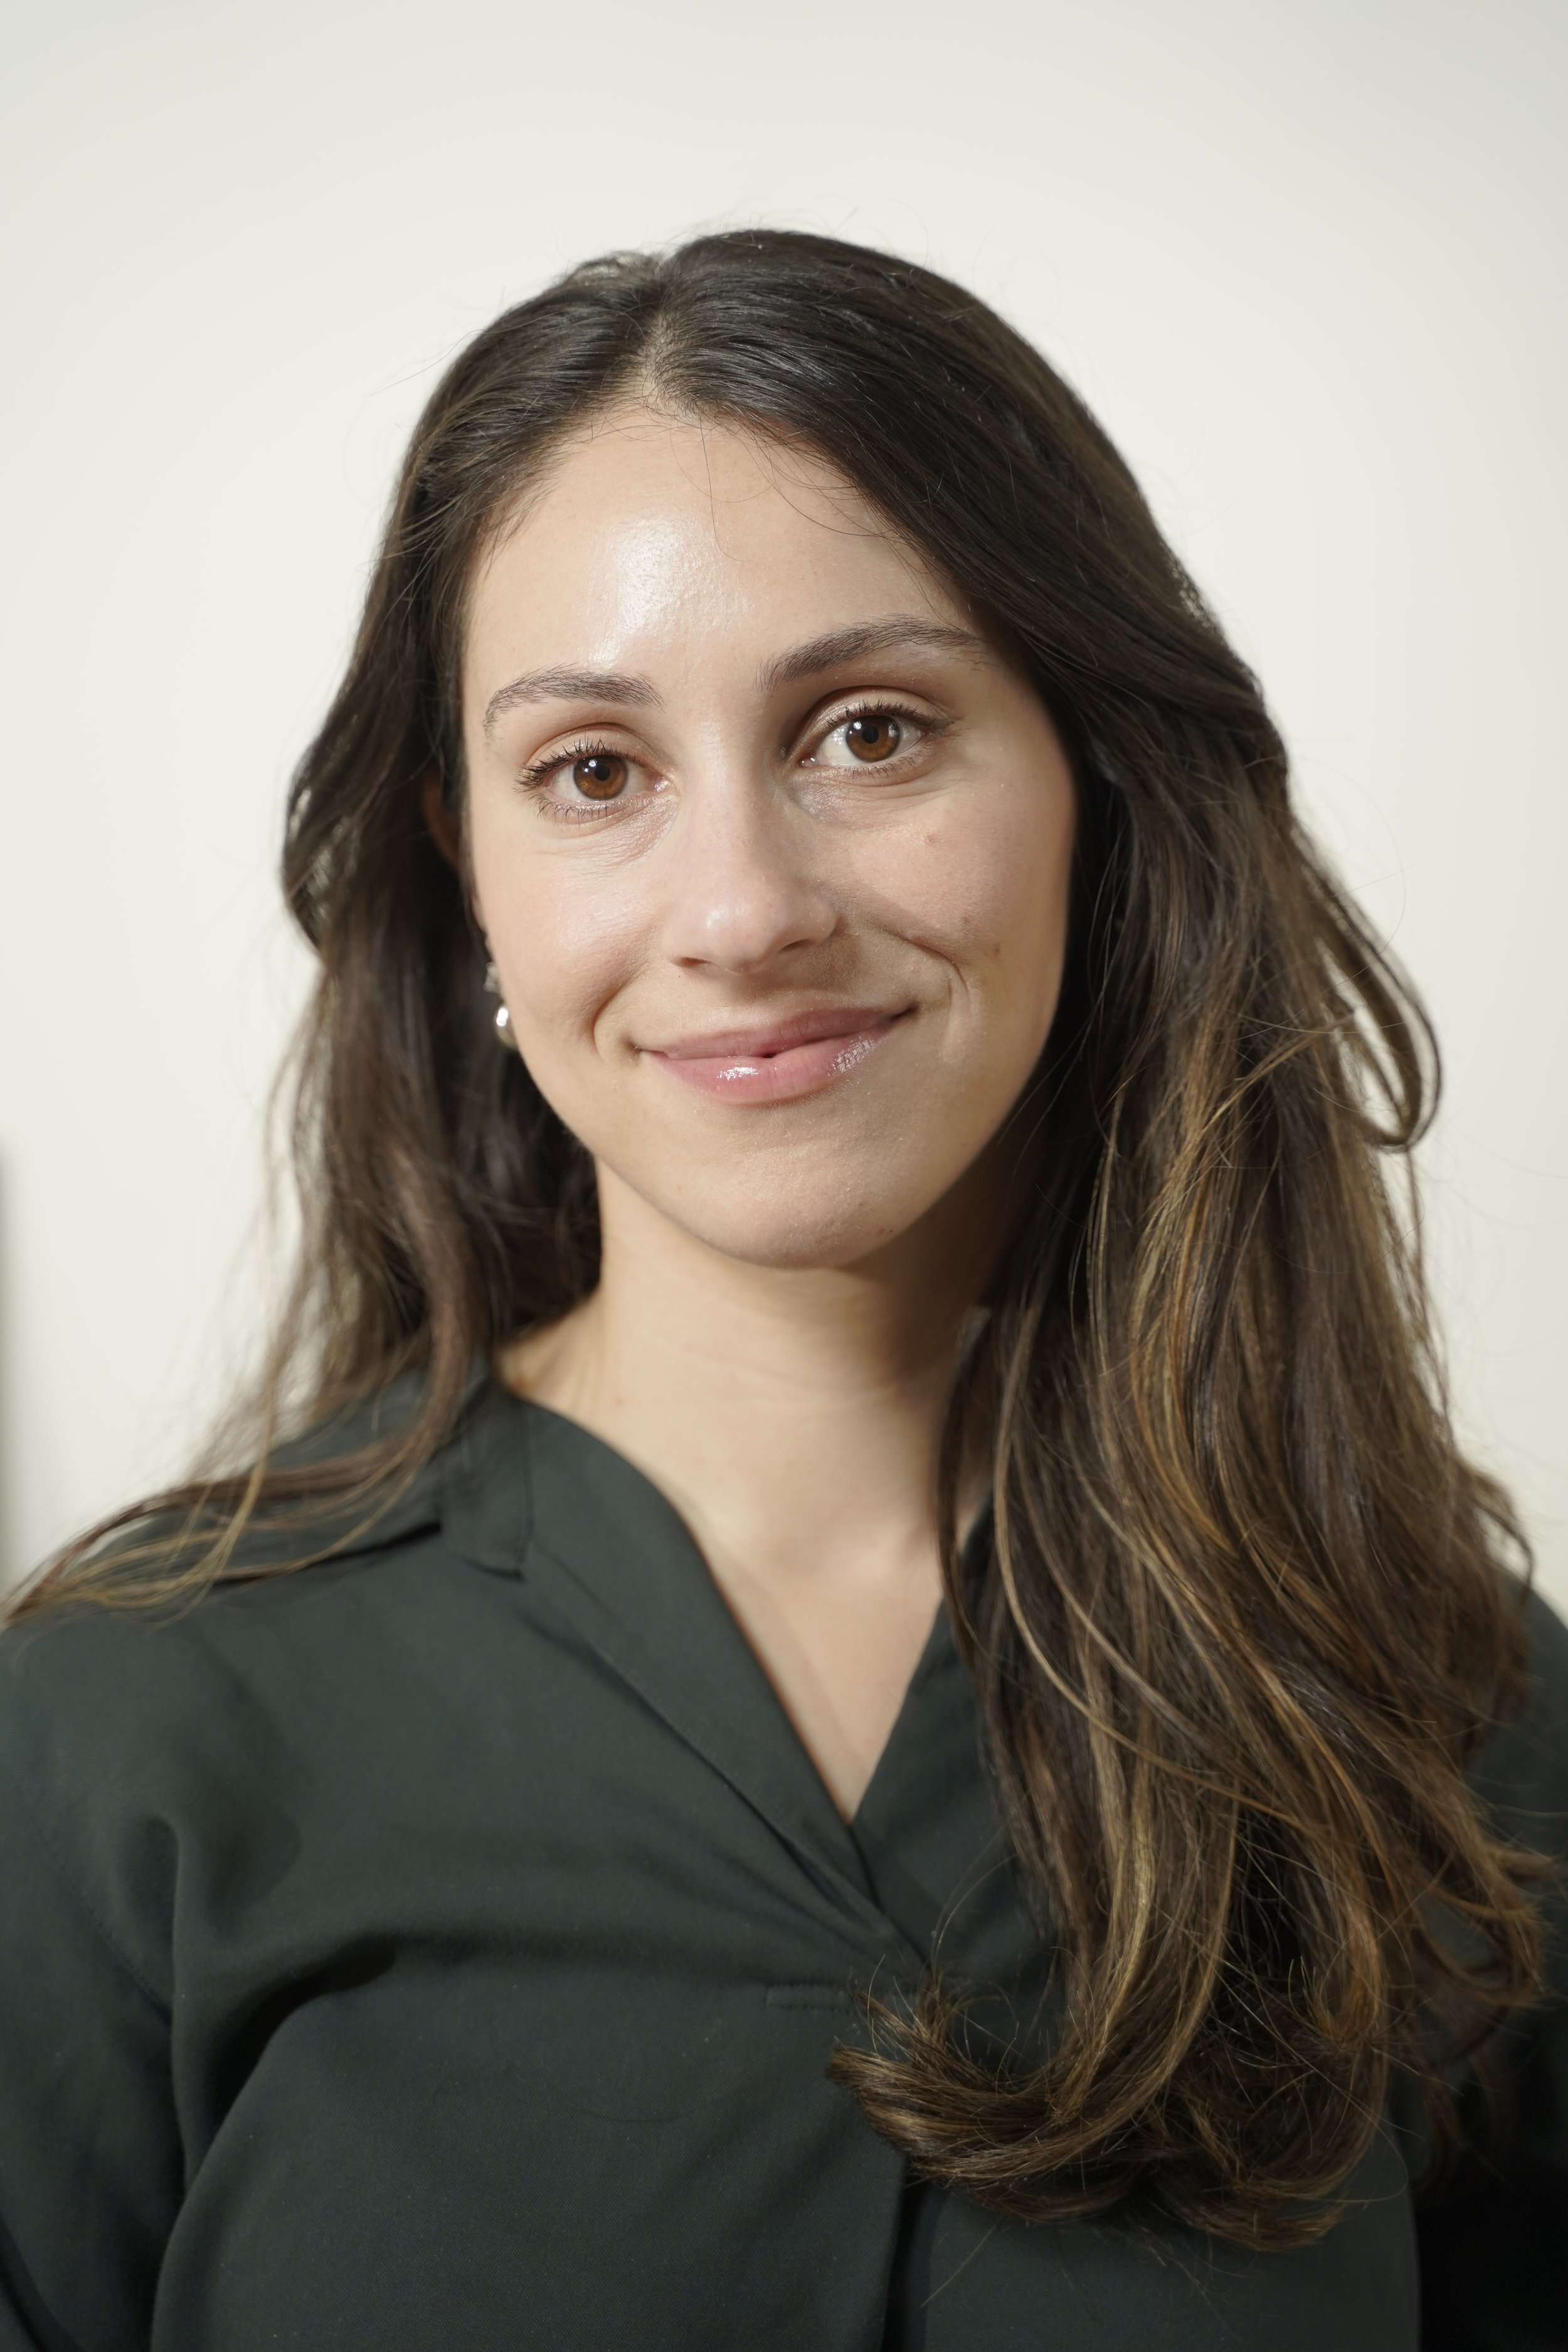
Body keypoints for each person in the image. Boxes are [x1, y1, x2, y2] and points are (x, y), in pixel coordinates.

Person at [1, 230, 1562, 2352]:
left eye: (871, 730)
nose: (739, 908)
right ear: (467, 866)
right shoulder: (120, 1733)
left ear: (1095, 788)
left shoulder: (1450, 1717)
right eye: (593, 773)